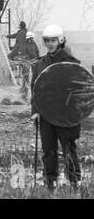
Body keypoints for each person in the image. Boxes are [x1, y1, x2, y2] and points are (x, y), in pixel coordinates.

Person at [31, 24, 81, 193]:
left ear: (60, 41)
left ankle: (74, 184)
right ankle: (49, 184)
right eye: (47, 40)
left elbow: (79, 91)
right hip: (45, 115)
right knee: (48, 150)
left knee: (68, 149)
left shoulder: (71, 63)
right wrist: (35, 111)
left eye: (53, 40)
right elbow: (36, 90)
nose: (50, 44)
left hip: (65, 116)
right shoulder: (39, 64)